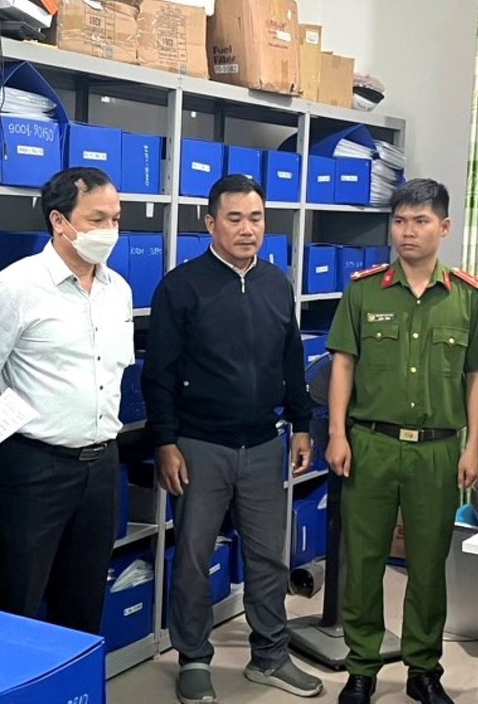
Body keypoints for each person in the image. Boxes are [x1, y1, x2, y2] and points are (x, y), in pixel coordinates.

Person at [143, 175, 323, 704]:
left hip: (265, 444)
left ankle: (270, 656)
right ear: (211, 224)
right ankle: (194, 658)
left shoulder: (276, 283)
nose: (248, 230)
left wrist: (302, 423)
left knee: (269, 558)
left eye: (257, 218)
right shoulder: (182, 286)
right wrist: (165, 442)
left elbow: (292, 359)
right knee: (193, 559)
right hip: (199, 446)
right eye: (235, 218)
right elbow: (159, 374)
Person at [325, 178, 478, 704]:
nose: (407, 231)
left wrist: (473, 447)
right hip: (371, 444)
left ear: (443, 227)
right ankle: (362, 667)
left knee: (427, 564)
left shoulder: (468, 298)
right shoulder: (364, 291)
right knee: (363, 561)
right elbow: (343, 365)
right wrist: (337, 434)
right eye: (400, 221)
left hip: (437, 449)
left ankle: (423, 668)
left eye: (420, 221)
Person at [0, 167, 133, 635]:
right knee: (16, 597)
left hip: (101, 465)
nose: (109, 231)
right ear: (59, 221)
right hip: (32, 467)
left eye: (115, 219)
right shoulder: (14, 289)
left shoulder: (118, 290)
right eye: (96, 220)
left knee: (84, 598)